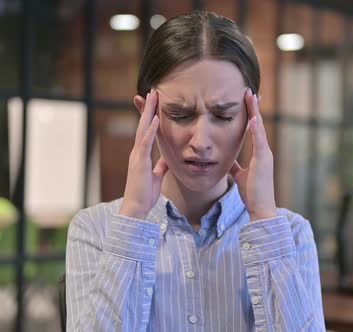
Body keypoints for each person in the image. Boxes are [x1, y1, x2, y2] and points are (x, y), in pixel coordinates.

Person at [66, 11, 325, 331]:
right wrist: (132, 216)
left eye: (224, 115)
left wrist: (263, 217)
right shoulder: (95, 230)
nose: (201, 141)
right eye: (180, 114)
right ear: (145, 114)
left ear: (250, 117)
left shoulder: (291, 234)